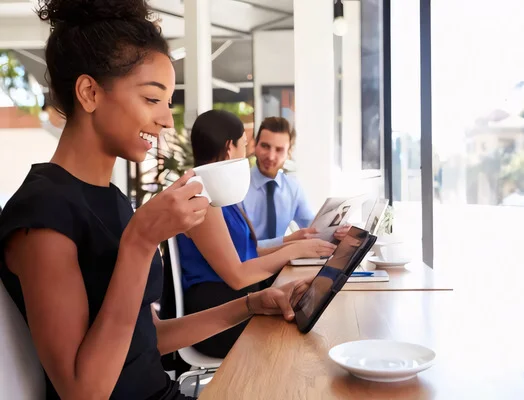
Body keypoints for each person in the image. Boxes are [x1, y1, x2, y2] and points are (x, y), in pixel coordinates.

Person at [0, 1, 312, 399]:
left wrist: (251, 304)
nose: (167, 119)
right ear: (89, 92)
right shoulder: (42, 215)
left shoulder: (110, 200)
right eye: (152, 99)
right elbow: (83, 391)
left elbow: (147, 343)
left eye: (168, 102)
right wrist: (141, 240)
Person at [178, 110, 336, 358]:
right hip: (216, 314)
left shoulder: (218, 193)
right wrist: (292, 250)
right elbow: (238, 276)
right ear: (230, 148)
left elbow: (248, 253)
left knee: (311, 309)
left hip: (233, 301)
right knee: (304, 326)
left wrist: (295, 245)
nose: (246, 154)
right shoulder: (202, 196)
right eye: (244, 145)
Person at [243, 117, 350, 247]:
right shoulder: (239, 187)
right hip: (248, 264)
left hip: (284, 264)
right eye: (265, 146)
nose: (271, 156)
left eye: (279, 149)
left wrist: (338, 231)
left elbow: (313, 228)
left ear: (289, 152)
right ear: (255, 145)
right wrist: (287, 240)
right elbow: (240, 248)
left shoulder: (292, 188)